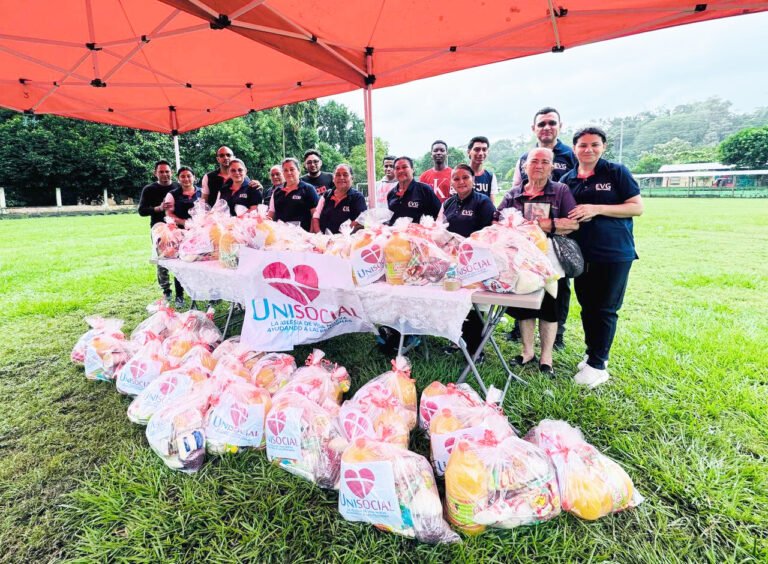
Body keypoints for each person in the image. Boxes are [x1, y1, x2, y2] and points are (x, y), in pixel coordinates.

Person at [560, 127, 644, 387]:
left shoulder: (616, 172)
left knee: (606, 308)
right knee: (587, 307)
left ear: (603, 147)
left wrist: (596, 208)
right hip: (581, 254)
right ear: (574, 148)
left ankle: (599, 364)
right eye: (583, 145)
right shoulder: (568, 179)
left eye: (594, 145)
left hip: (614, 252)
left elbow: (637, 207)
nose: (589, 149)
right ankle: (592, 353)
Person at [497, 148, 579, 375]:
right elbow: (497, 222)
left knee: (549, 309)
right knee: (524, 308)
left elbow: (574, 224)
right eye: (534, 161)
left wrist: (545, 225)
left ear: (552, 166)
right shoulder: (513, 194)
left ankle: (546, 357)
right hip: (521, 263)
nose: (539, 166)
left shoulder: (561, 191)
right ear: (525, 166)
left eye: (545, 162)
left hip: (550, 262)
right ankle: (527, 351)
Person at [508, 108, 577, 349]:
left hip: (554, 242)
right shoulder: (523, 159)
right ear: (534, 128)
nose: (546, 127)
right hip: (524, 249)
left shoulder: (571, 154)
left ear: (559, 125)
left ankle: (556, 334)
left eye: (551, 123)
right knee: (523, 286)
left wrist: (554, 224)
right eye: (541, 124)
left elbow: (573, 207)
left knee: (557, 290)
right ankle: (522, 334)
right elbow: (517, 193)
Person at [437, 163, 496, 361]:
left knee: (475, 305)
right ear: (451, 182)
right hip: (453, 263)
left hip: (476, 262)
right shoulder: (448, 203)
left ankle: (475, 351)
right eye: (456, 178)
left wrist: (466, 243)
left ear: (473, 180)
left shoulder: (483, 202)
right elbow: (440, 229)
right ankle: (458, 342)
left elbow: (489, 234)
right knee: (456, 303)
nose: (460, 181)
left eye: (465, 177)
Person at [137, 160, 180, 302]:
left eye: (167, 171)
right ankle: (166, 290)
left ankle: (180, 293)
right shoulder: (149, 189)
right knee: (162, 261)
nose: (165, 174)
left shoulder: (177, 187)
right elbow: (142, 211)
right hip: (159, 230)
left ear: (171, 172)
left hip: (177, 230)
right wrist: (158, 208)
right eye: (161, 172)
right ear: (155, 173)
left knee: (180, 260)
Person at [164, 166, 201, 307]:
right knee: (180, 265)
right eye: (183, 176)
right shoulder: (172, 194)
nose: (186, 179)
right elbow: (169, 214)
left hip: (198, 234)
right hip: (180, 234)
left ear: (194, 177)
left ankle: (201, 294)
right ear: (178, 179)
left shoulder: (201, 192)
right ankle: (180, 296)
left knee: (200, 264)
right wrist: (185, 223)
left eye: (188, 176)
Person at [311, 164, 367, 234]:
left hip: (348, 242)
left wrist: (341, 238)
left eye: (345, 174)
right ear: (333, 179)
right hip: (324, 241)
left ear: (352, 178)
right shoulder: (326, 195)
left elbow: (361, 221)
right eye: (338, 175)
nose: (341, 177)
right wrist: (319, 235)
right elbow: (316, 217)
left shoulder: (357, 197)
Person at [386, 156, 441, 225]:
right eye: (397, 168)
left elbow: (439, 216)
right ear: (394, 172)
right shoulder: (391, 194)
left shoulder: (425, 190)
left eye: (404, 167)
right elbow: (391, 218)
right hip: (396, 235)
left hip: (420, 234)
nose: (400, 171)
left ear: (413, 169)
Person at [268, 157, 319, 231]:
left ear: (299, 171)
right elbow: (271, 214)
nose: (289, 173)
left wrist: (310, 236)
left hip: (302, 237)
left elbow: (315, 216)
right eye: (285, 170)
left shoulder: (308, 189)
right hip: (281, 236)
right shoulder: (277, 192)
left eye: (292, 169)